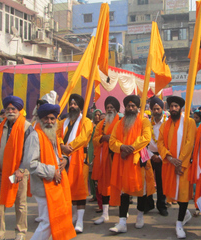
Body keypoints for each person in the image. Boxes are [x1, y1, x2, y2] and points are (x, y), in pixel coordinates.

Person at [23, 103, 76, 240]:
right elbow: (30, 163)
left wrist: (64, 159)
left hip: (54, 185)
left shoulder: (51, 136)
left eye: (52, 119)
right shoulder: (35, 136)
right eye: (46, 118)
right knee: (47, 223)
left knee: (53, 221)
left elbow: (55, 156)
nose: (49, 121)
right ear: (40, 119)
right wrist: (52, 171)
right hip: (43, 186)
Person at [0, 96, 34, 240]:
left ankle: (21, 231)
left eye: (13, 109)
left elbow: (29, 151)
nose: (11, 111)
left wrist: (21, 169)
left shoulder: (26, 127)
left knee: (20, 203)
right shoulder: (0, 126)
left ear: (19, 110)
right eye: (8, 109)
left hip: (19, 172)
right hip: (0, 172)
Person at [108, 95, 155, 234]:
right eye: (128, 106)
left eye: (133, 106)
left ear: (137, 108)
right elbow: (112, 141)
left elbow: (146, 138)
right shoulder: (120, 123)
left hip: (138, 161)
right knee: (124, 192)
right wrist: (122, 147)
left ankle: (139, 216)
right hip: (123, 161)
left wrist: (131, 148)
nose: (130, 108)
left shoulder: (144, 122)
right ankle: (122, 222)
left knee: (141, 190)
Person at [157, 96, 196, 239]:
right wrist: (169, 158)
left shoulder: (189, 122)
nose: (173, 109)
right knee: (175, 193)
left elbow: (189, 143)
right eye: (171, 106)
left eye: (176, 106)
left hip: (183, 165)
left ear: (180, 108)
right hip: (169, 164)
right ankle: (185, 214)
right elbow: (160, 143)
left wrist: (180, 162)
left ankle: (179, 223)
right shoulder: (164, 125)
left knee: (184, 194)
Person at [56, 93, 93, 233]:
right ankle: (70, 217)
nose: (72, 106)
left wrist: (68, 148)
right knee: (67, 188)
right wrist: (61, 145)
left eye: (75, 104)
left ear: (80, 107)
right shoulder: (62, 122)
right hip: (63, 158)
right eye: (71, 104)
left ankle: (80, 221)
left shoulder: (86, 122)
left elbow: (83, 138)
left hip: (79, 160)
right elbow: (56, 135)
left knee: (79, 189)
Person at [92, 97, 121, 225]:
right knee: (104, 185)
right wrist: (104, 137)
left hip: (117, 157)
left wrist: (113, 140)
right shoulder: (101, 124)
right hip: (104, 159)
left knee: (118, 185)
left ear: (116, 109)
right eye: (108, 108)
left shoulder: (121, 122)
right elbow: (94, 140)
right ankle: (105, 214)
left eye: (112, 108)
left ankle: (123, 213)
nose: (109, 110)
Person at [146, 97, 168, 216]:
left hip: (162, 156)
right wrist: (151, 155)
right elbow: (145, 141)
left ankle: (161, 206)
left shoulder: (167, 123)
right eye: (154, 109)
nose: (156, 111)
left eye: (158, 109)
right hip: (149, 155)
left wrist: (160, 156)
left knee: (161, 182)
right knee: (148, 180)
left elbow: (170, 141)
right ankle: (148, 205)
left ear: (162, 109)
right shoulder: (147, 123)